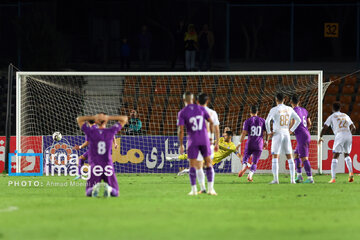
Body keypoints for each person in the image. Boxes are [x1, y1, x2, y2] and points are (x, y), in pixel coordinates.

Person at [77, 113, 128, 197]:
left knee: (88, 193)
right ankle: (110, 189)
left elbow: (79, 119)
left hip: (95, 166)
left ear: (96, 121)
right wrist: (108, 117)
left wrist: (94, 117)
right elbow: (124, 118)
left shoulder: (91, 132)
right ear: (106, 121)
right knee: (116, 193)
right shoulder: (110, 131)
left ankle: (93, 189)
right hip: (107, 165)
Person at [177, 92, 218, 196]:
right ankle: (210, 189)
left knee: (193, 165)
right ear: (193, 99)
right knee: (209, 162)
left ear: (184, 100)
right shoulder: (201, 109)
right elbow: (212, 122)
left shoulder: (182, 112)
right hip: (204, 139)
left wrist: (181, 144)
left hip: (193, 140)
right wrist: (211, 136)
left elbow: (181, 130)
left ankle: (194, 190)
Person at [265, 93, 301, 184]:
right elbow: (299, 120)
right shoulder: (289, 109)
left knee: (275, 156)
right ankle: (292, 180)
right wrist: (291, 130)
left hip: (277, 133)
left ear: (276, 100)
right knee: (289, 156)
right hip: (286, 133)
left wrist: (269, 132)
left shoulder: (274, 109)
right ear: (284, 100)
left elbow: (267, 122)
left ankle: (276, 180)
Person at [319, 102, 356, 183]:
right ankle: (351, 173)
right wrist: (349, 134)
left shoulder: (332, 116)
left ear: (332, 109)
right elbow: (354, 128)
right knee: (347, 155)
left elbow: (324, 127)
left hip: (340, 135)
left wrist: (320, 137)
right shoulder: (345, 115)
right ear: (340, 108)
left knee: (335, 156)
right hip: (348, 134)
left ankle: (333, 178)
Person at [236, 105, 267, 182]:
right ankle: (250, 176)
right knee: (254, 162)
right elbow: (265, 132)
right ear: (257, 112)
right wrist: (266, 141)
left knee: (245, 158)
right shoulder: (263, 121)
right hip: (259, 143)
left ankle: (244, 167)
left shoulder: (247, 121)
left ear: (250, 112)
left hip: (250, 143)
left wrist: (239, 142)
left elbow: (244, 133)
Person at [290, 95, 314, 183]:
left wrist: (288, 131)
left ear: (291, 102)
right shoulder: (304, 110)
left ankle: (310, 178)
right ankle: (299, 176)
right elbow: (310, 124)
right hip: (306, 134)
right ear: (299, 102)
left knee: (304, 158)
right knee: (296, 155)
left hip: (302, 136)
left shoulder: (293, 111)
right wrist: (304, 130)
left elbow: (292, 123)